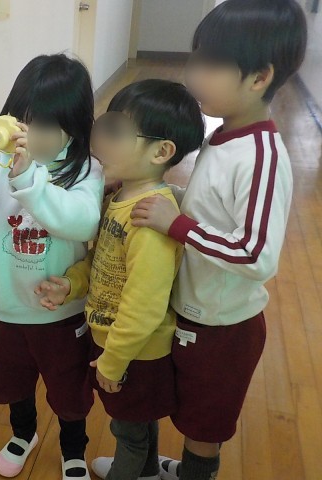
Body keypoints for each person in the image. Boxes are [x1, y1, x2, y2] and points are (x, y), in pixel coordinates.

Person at [129, 1, 308, 478]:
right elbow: (210, 209)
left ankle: (196, 472)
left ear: (259, 77)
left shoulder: (262, 157)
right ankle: (151, 469)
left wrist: (178, 226)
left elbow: (255, 254)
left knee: (204, 426)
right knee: (182, 403)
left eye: (211, 65)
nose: (193, 75)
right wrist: (159, 195)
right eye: (196, 59)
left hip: (224, 328)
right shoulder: (223, 134)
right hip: (193, 308)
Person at [0, 54, 104, 480]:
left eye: (44, 125)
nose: (29, 134)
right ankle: (23, 433)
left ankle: (73, 450)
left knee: (69, 390)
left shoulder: (84, 170)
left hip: (60, 315)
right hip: (4, 308)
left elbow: (82, 221)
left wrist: (29, 179)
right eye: (22, 120)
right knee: (13, 382)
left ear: (74, 127)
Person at [36, 79, 204, 480]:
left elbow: (145, 305)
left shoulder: (149, 218)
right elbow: (101, 263)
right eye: (103, 127)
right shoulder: (118, 199)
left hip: (135, 353)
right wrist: (72, 284)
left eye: (116, 132)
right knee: (137, 423)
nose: (100, 142)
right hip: (120, 346)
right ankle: (146, 472)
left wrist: (113, 362)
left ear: (161, 152)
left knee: (128, 434)